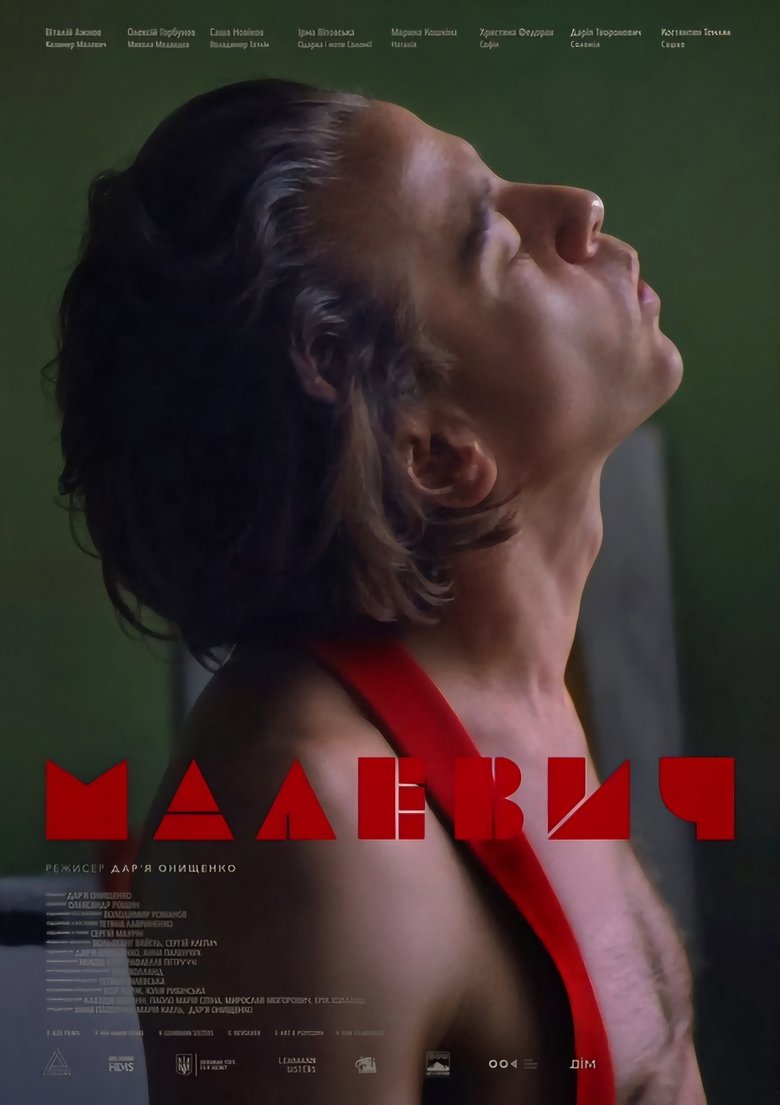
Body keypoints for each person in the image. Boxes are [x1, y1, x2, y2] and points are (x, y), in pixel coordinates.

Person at [53, 79, 705, 1104]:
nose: (579, 209)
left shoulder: (506, 681)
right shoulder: (315, 825)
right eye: (497, 244)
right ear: (437, 454)